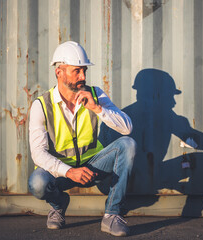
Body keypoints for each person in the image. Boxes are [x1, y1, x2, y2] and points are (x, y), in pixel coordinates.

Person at [28, 41, 136, 237]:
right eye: (77, 71)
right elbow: (38, 153)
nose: (83, 76)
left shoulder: (95, 94)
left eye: (84, 70)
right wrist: (69, 172)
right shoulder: (41, 105)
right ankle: (59, 205)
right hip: (61, 174)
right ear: (59, 72)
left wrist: (97, 108)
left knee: (128, 145)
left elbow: (127, 128)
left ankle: (112, 214)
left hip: (94, 167)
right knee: (37, 182)